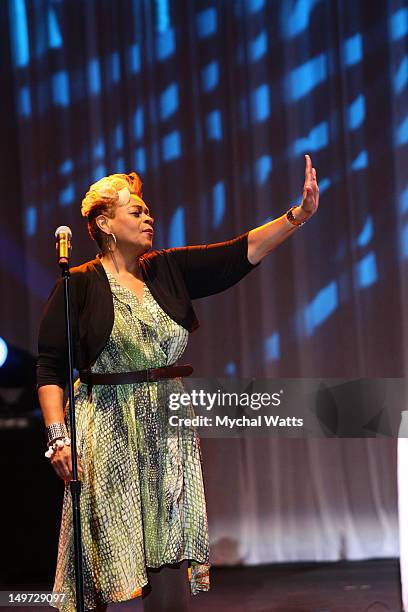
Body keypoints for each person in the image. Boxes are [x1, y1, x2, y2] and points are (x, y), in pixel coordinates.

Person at [37, 154, 319, 612]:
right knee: (105, 549)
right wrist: (57, 438)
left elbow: (238, 252)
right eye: (137, 212)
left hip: (166, 425)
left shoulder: (165, 269)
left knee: (169, 546)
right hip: (108, 426)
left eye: (149, 212)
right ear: (104, 223)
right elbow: (50, 367)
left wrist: (297, 216)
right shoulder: (79, 284)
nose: (149, 218)